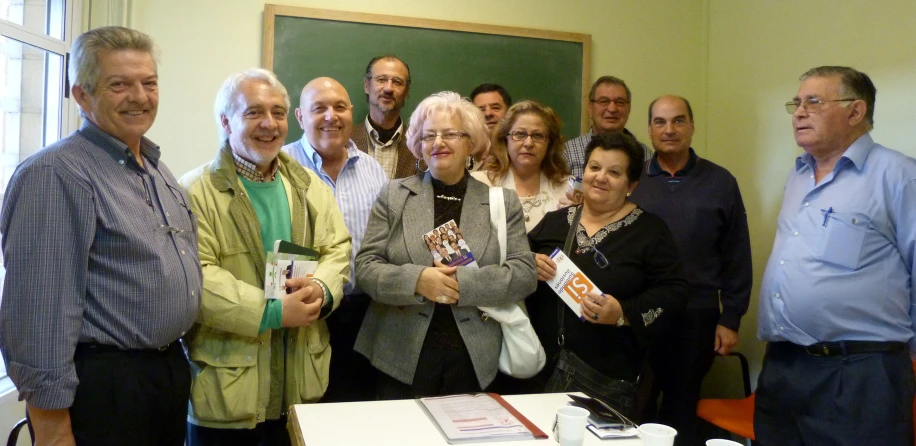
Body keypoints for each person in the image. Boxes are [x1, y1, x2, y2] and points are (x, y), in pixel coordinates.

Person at [0, 26, 201, 446]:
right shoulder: (56, 175)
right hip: (102, 388)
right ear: (82, 95)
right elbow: (39, 314)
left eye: (149, 83)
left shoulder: (154, 168)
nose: (140, 97)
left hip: (160, 377)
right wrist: (53, 430)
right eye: (119, 85)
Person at [180, 68, 351, 445]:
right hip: (228, 396)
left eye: (277, 112)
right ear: (226, 122)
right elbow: (196, 277)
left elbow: (337, 250)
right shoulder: (193, 192)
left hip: (301, 385)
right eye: (253, 112)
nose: (269, 124)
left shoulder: (311, 188)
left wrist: (322, 289)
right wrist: (272, 312)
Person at [755, 66, 916, 446]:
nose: (798, 112)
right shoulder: (797, 175)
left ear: (856, 112)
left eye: (813, 102)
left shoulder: (898, 176)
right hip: (784, 366)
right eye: (796, 103)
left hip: (860, 373)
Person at [354, 91, 537, 398]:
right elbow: (366, 267)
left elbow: (523, 275)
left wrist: (460, 284)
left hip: (475, 357)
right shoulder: (394, 195)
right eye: (428, 136)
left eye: (450, 134)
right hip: (400, 355)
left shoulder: (501, 202)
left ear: (471, 142)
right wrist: (417, 280)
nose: (438, 143)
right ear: (419, 146)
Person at [527, 132, 688, 419]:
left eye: (614, 172)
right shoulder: (554, 222)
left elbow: (674, 292)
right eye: (594, 167)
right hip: (541, 371)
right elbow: (516, 266)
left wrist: (623, 313)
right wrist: (531, 264)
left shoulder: (649, 232)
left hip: (607, 379)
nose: (600, 177)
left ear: (631, 184)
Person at [630, 95, 752, 445]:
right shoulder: (631, 180)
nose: (669, 130)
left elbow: (736, 254)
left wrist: (731, 318)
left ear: (692, 126)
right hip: (638, 311)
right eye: (660, 122)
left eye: (678, 120)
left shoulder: (720, 181)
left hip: (695, 314)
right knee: (636, 404)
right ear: (649, 130)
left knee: (682, 407)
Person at [283, 76, 388, 402]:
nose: (331, 116)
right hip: (302, 315)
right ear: (300, 117)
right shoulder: (280, 167)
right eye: (319, 108)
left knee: (356, 415)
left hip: (364, 314)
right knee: (304, 412)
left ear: (351, 112)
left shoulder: (373, 171)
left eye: (340, 107)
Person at [472, 100, 570, 232]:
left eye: (538, 135)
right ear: (505, 139)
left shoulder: (568, 188)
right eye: (520, 134)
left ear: (549, 144)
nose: (528, 143)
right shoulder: (480, 183)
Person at [565, 76, 652, 180]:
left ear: (629, 108)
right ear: (590, 108)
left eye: (619, 102)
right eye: (604, 101)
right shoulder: (566, 153)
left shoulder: (646, 155)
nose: (612, 108)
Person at [351, 54, 415, 179]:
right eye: (381, 79)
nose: (388, 88)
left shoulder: (420, 144)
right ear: (367, 86)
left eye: (397, 82)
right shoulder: (345, 141)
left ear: (406, 92)